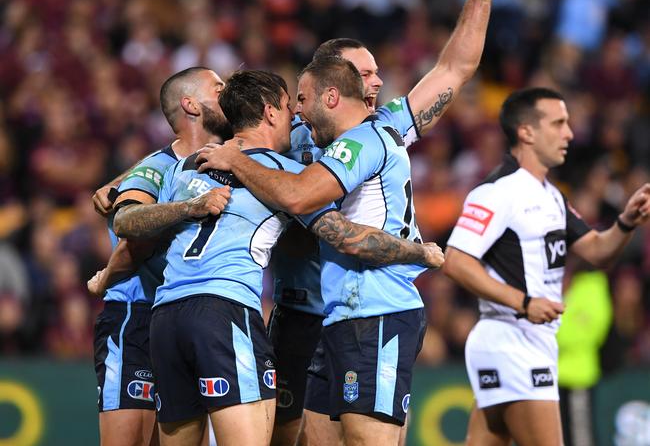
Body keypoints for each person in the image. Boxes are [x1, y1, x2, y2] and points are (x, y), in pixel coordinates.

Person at [111, 69, 444, 446]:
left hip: (165, 319)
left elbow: (130, 228)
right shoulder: (284, 174)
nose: (297, 116)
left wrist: (108, 273)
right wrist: (420, 252)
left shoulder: (184, 166)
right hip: (226, 313)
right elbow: (347, 236)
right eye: (289, 107)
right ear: (271, 113)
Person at [253, 0, 502, 444]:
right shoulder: (288, 136)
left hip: (369, 305)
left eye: (376, 72)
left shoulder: (382, 130)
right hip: (302, 311)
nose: (375, 82)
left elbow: (454, 69)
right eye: (363, 73)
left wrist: (479, 0)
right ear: (332, 84)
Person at [442, 87, 650, 446]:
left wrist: (626, 222)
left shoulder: (551, 195)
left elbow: (597, 250)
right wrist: (523, 302)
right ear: (526, 132)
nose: (569, 133)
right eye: (559, 123)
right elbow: (456, 261)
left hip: (527, 342)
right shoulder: (497, 192)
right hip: (512, 337)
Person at [89, 67, 232, 446]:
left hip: (190, 320)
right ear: (190, 104)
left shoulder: (230, 160)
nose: (229, 93)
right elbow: (130, 235)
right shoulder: (153, 169)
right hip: (136, 317)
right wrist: (106, 277)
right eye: (218, 88)